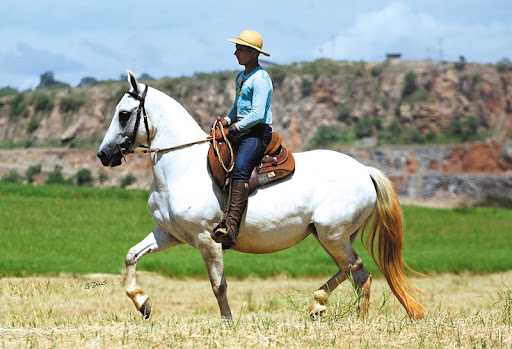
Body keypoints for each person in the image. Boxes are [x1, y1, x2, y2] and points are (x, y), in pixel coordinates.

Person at [211, 29, 273, 249]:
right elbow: (238, 107)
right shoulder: (242, 77)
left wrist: (235, 127)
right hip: (240, 130)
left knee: (240, 169)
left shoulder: (261, 78)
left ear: (252, 53)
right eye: (236, 48)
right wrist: (227, 120)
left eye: (239, 49)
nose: (235, 53)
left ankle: (231, 227)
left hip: (256, 133)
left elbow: (256, 114)